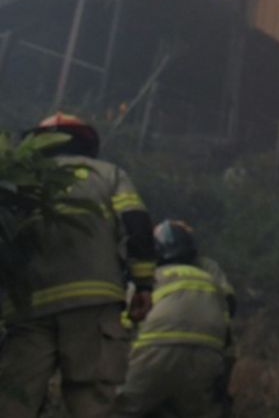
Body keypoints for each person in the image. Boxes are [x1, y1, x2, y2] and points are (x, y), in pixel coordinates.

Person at [0, 113, 156, 418]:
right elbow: (136, 226)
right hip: (93, 306)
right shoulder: (109, 174)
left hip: (28, 310)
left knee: (11, 400)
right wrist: (144, 285)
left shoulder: (16, 183)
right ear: (86, 142)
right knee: (93, 402)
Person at [113, 219, 235, 418]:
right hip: (207, 354)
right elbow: (228, 318)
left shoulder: (148, 279)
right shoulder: (211, 278)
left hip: (153, 352)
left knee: (117, 410)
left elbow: (122, 320)